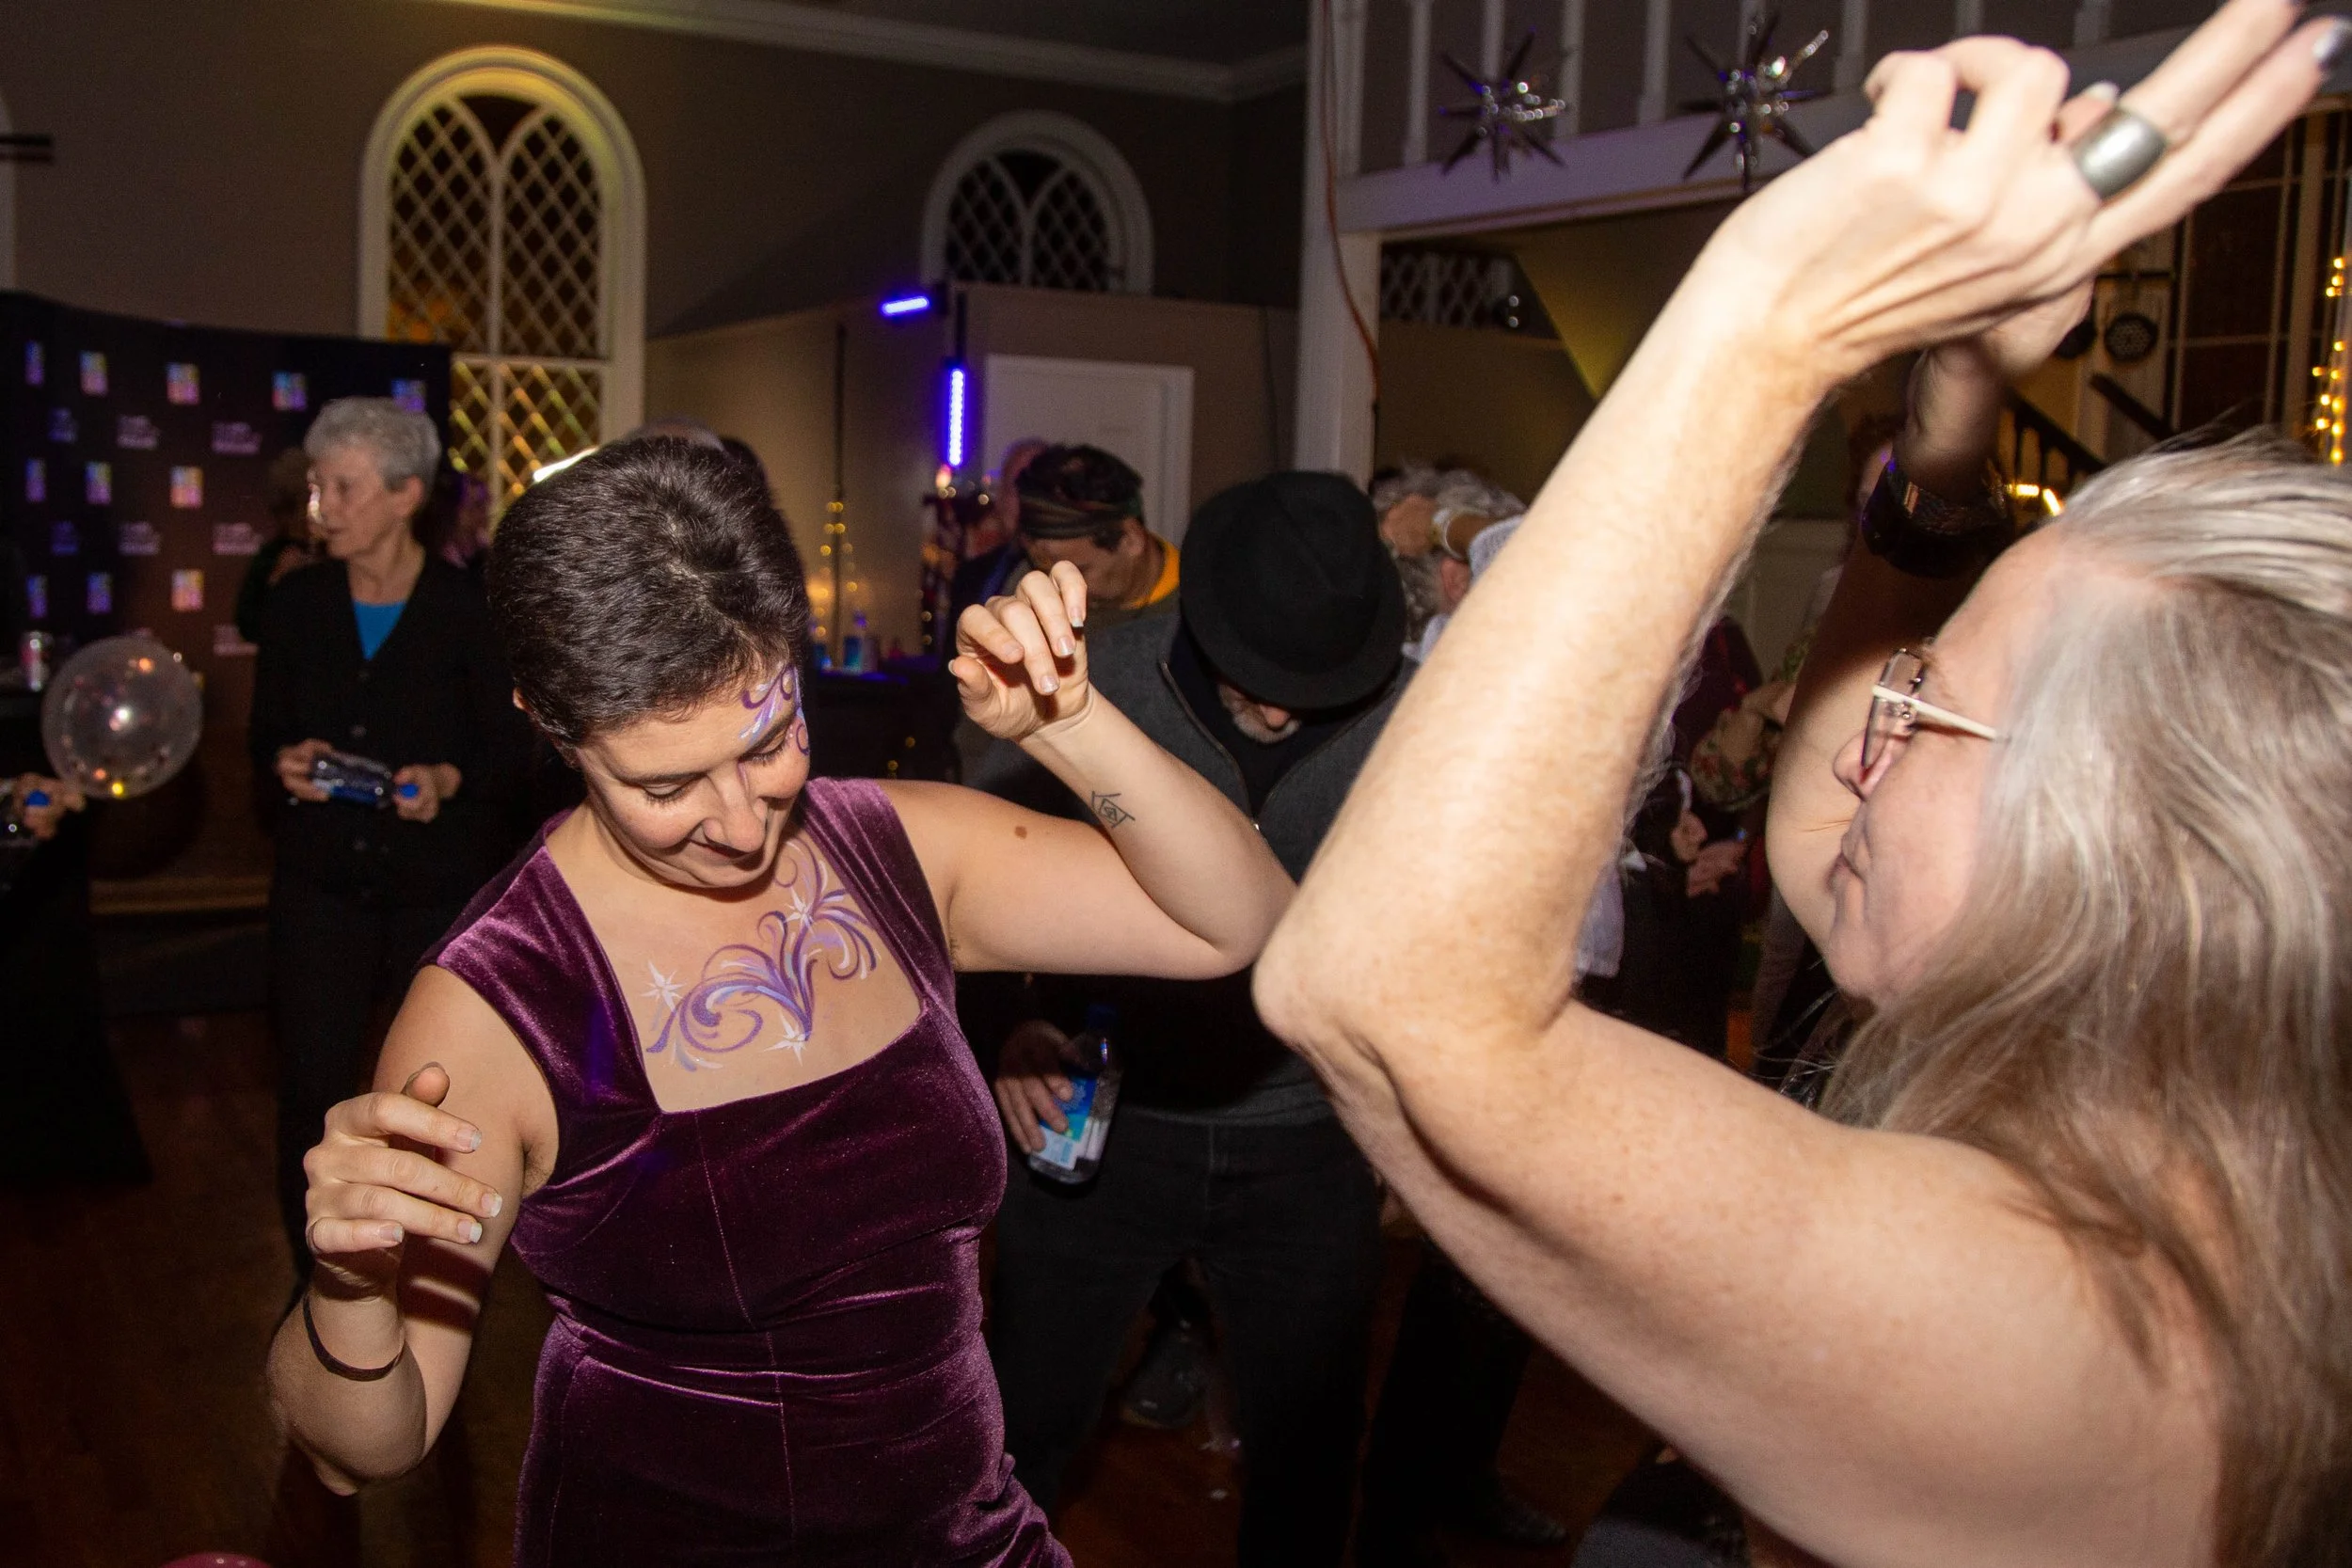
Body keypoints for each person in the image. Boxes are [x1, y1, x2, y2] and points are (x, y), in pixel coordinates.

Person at [1256, 8, 2352, 1567]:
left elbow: (1383, 990)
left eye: (1923, 710)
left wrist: (1775, 317)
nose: (1848, 749)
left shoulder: (2093, 1330)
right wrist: (1952, 403)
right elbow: (1823, 825)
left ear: (2122, 867)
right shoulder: (2191, 1171)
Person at [265, 440, 1294, 1567]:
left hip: (963, 1538)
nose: (740, 823)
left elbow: (1238, 919)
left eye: (766, 740)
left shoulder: (896, 851)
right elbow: (363, 1450)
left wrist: (1065, 721)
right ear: (548, 723)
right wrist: (350, 1284)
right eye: (664, 784)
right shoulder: (497, 1005)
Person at [977, 472, 1407, 1568]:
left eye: (1310, 689)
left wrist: (1408, 1118)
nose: (1278, 712)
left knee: (1310, 1457)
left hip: (1310, 1132)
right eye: (1254, 680)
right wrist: (1004, 1032)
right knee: (1020, 1429)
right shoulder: (1093, 683)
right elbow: (969, 868)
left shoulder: (1419, 722)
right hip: (1102, 1118)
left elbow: (1438, 937)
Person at [249, 397, 533, 1274]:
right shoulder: (294, 603)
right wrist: (287, 764)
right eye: (317, 486)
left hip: (433, 896)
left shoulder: (470, 609)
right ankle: (319, 1276)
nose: (321, 506)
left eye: (344, 487)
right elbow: (262, 742)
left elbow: (517, 754)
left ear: (406, 494)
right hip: (319, 890)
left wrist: (449, 781)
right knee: (312, 1090)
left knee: (431, 1093)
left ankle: (424, 1274)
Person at [1004, 444, 1181, 633]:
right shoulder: (1029, 583)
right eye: (1044, 569)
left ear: (1131, 539)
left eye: (1079, 571)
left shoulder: (1191, 608)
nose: (1060, 588)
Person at [233, 446, 324, 646]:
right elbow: (247, 625)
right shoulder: (269, 557)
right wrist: (276, 581)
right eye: (303, 503)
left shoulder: (335, 553)